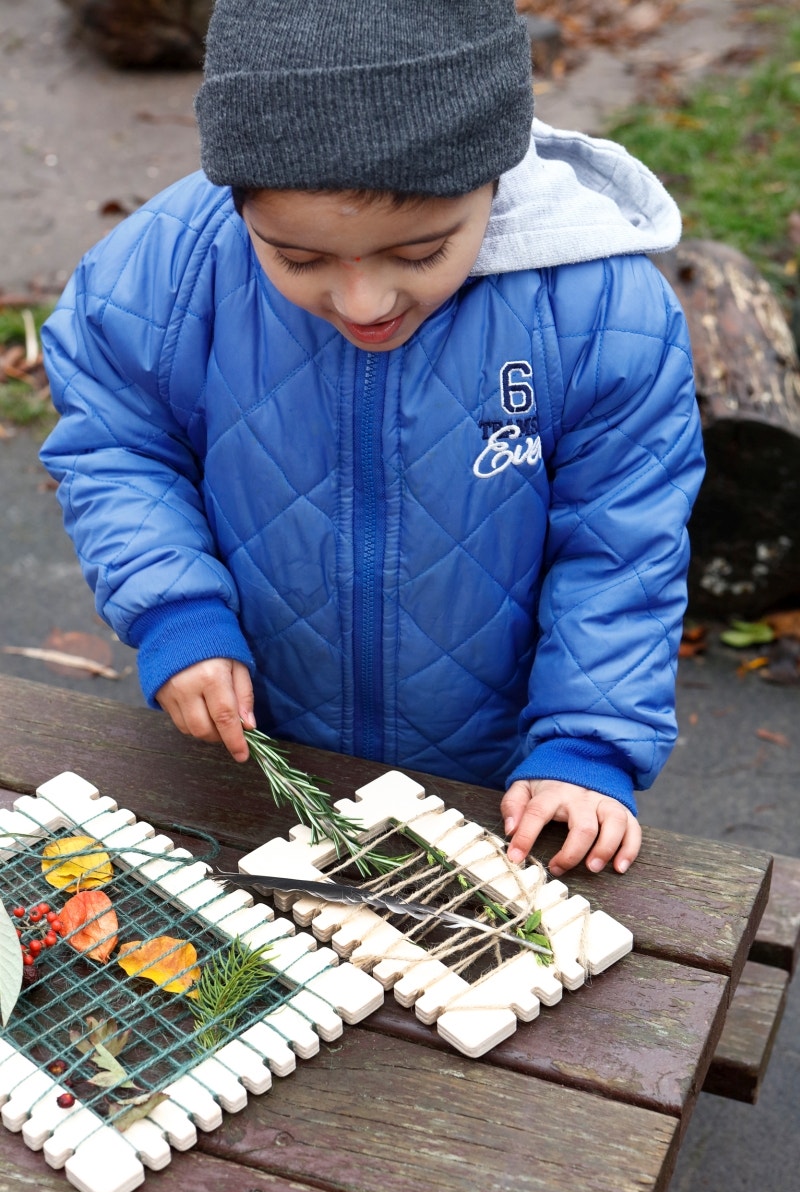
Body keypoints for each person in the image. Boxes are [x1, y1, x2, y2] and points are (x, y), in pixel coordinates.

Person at [40, 0, 704, 879]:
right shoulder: (174, 268)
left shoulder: (597, 310)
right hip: (250, 758)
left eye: (422, 253)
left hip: (493, 785)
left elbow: (623, 546)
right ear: (238, 192)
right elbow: (117, 440)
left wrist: (587, 745)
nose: (364, 304)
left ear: (494, 173)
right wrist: (175, 609)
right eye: (300, 260)